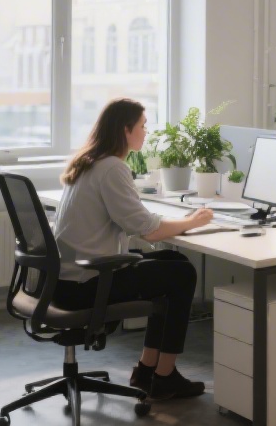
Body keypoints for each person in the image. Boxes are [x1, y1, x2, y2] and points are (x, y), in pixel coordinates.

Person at [53, 98, 212, 400]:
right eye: (142, 126)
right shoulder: (112, 168)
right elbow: (148, 228)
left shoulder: (90, 162)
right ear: (125, 130)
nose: (146, 132)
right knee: (183, 274)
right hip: (88, 282)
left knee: (172, 259)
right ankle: (164, 377)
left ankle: (146, 369)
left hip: (69, 279)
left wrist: (177, 221)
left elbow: (137, 220)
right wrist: (193, 221)